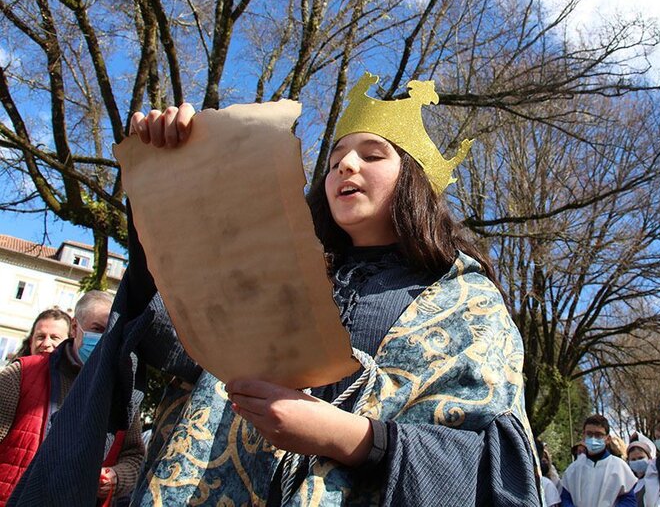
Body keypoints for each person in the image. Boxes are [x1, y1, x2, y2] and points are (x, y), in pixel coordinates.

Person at [9, 73, 541, 506]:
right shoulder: (268, 268)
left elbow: (496, 469)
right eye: (334, 161)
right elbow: (183, 344)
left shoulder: (466, 303)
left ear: (416, 180)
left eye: (372, 155)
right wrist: (168, 184)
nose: (345, 166)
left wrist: (349, 438)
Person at [0, 291, 144, 506]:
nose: (107, 340)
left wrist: (116, 477)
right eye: (97, 329)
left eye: (113, 332)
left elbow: (134, 455)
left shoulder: (124, 391)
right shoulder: (23, 373)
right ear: (76, 327)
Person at [561, 414, 638, 507]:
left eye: (598, 435)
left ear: (608, 439)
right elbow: (565, 498)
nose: (593, 439)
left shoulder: (619, 467)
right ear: (583, 435)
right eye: (589, 434)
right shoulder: (573, 469)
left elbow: (629, 500)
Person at [627, 440, 654, 505]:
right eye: (633, 459)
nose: (637, 461)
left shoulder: (656, 479)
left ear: (649, 458)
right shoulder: (630, 485)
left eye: (641, 458)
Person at [537, 440, 562, 507]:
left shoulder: (548, 483)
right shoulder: (546, 483)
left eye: (546, 458)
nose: (544, 460)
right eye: (542, 457)